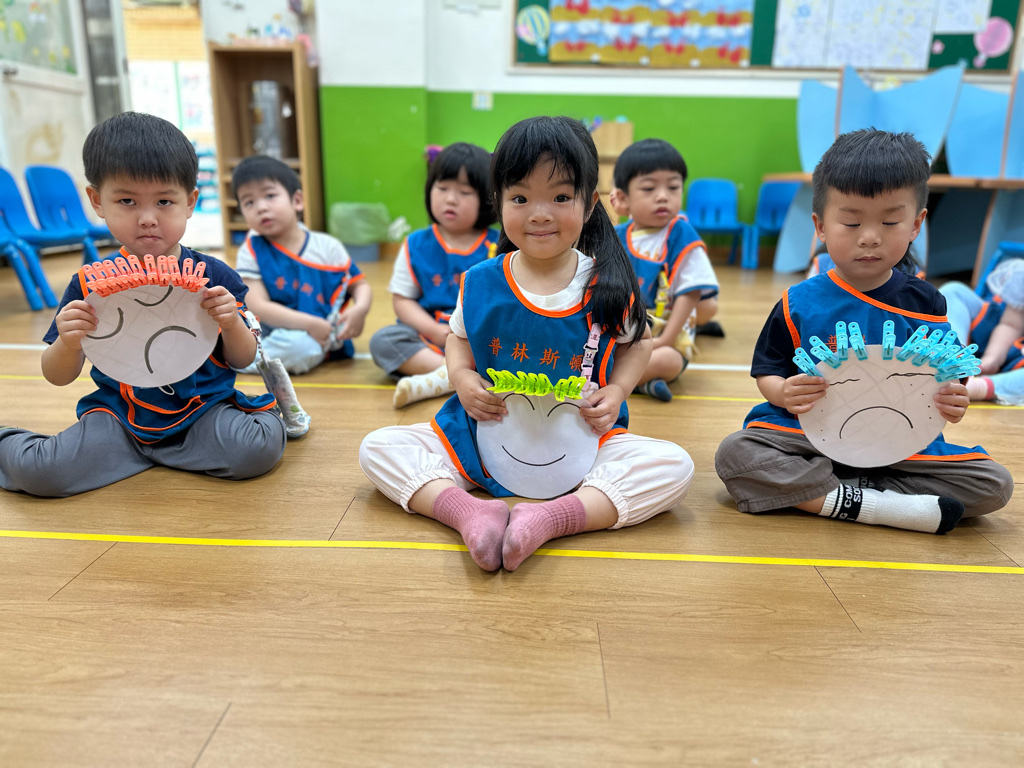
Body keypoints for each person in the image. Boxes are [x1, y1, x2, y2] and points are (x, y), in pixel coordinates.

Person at [360, 116, 694, 572]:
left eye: (560, 197)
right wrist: (460, 377)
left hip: (584, 442)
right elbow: (458, 338)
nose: (539, 214)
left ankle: (552, 518)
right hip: (479, 438)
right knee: (378, 447)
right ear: (498, 203)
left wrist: (617, 391)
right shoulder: (480, 281)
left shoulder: (607, 284)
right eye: (520, 198)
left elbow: (639, 343)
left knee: (675, 465)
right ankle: (469, 512)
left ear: (590, 204)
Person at [715, 129, 1013, 533]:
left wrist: (954, 398)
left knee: (994, 484)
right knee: (736, 453)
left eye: (890, 222)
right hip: (808, 437)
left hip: (899, 443)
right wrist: (783, 393)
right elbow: (768, 371)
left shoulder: (927, 302)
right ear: (820, 226)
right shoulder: (798, 302)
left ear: (916, 224)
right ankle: (879, 505)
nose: (870, 237)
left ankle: (833, 493)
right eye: (851, 222)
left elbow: (950, 373)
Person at [0, 112, 286, 497]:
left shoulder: (214, 275)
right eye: (127, 201)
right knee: (43, 474)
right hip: (118, 420)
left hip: (203, 411)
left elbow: (243, 358)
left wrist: (231, 323)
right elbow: (57, 376)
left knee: (255, 450)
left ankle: (162, 453)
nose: (148, 218)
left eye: (165, 201)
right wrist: (68, 342)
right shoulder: (89, 283)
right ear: (98, 201)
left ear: (190, 202)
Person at [369, 142, 499, 408]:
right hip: (431, 337)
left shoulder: (499, 245)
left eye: (465, 192)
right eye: (442, 188)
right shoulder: (415, 244)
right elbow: (403, 300)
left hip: (478, 339)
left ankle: (448, 378)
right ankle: (449, 374)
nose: (450, 199)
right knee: (384, 341)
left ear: (487, 199)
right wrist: (434, 330)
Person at [232, 155, 371, 375]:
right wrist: (309, 324)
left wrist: (360, 310)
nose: (261, 207)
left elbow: (359, 285)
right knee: (232, 328)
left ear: (297, 200)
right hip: (272, 329)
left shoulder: (327, 247)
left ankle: (240, 361)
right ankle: (240, 359)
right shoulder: (251, 248)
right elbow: (258, 305)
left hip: (317, 334)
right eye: (249, 202)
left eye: (270, 195)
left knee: (302, 346)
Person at [611, 138, 722, 402]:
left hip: (662, 336)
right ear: (624, 198)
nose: (663, 196)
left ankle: (616, 381)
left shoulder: (682, 236)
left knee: (669, 361)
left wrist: (666, 340)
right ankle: (641, 384)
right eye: (649, 188)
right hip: (622, 333)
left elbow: (690, 294)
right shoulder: (616, 236)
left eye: (673, 187)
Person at [940, 257, 1024, 405]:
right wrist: (991, 359)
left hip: (1017, 370)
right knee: (954, 291)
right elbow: (1011, 325)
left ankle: (972, 387)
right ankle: (955, 358)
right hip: (997, 341)